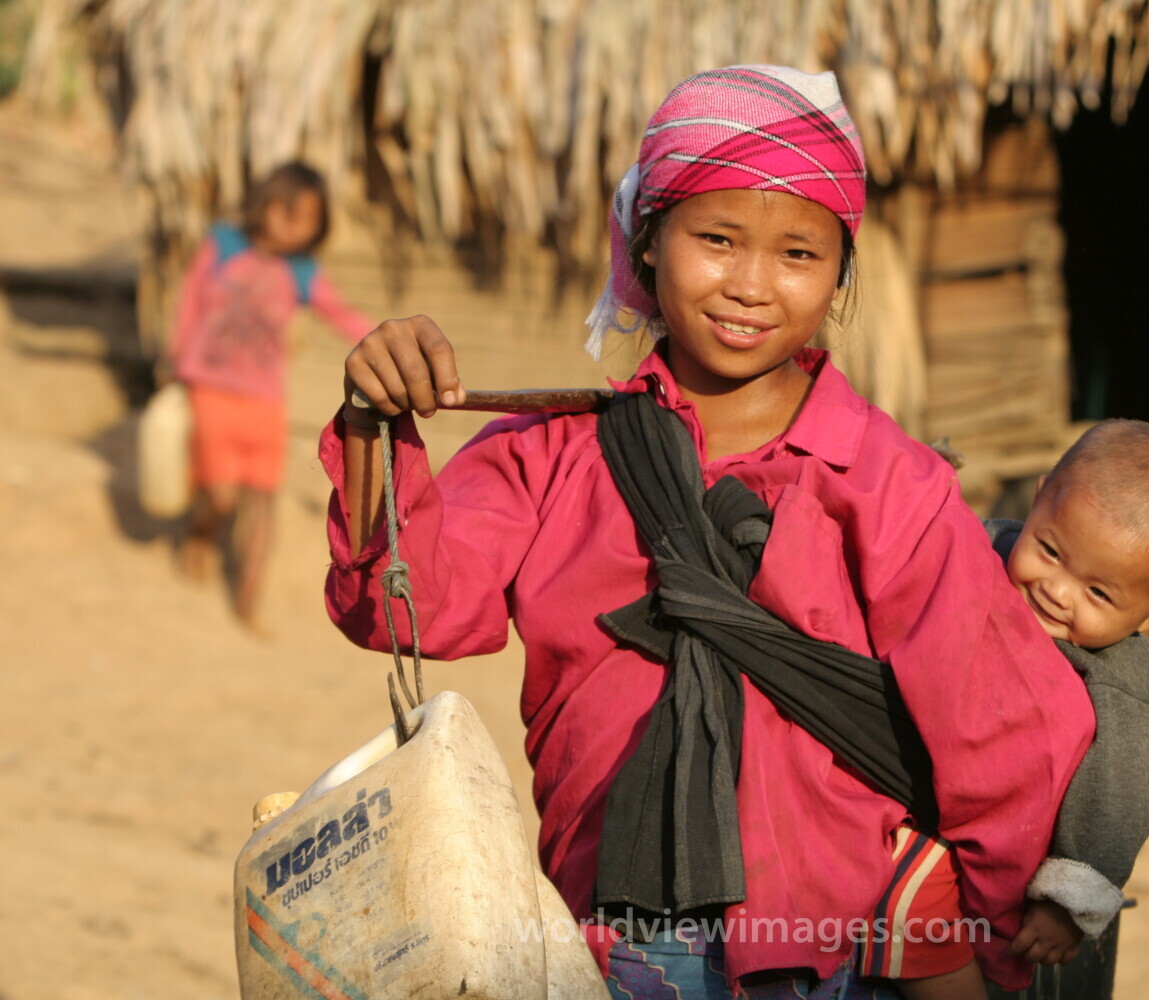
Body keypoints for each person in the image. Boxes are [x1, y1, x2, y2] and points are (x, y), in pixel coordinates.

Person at [323, 65, 1094, 998]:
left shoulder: (891, 486)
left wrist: (986, 932)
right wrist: (374, 422)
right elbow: (407, 611)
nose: (751, 286)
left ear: (842, 271)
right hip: (605, 944)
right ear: (649, 243)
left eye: (799, 256)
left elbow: (1004, 727)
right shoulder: (552, 455)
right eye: (717, 240)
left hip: (836, 951)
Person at [863, 419, 1149, 1000]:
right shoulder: (982, 547)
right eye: (1051, 550)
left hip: (984, 861)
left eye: (1099, 594)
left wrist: (1072, 898)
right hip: (896, 776)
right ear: (1037, 504)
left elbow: (1133, 781)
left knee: (926, 934)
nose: (1057, 590)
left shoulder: (1116, 673)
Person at [168, 162, 371, 630]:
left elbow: (339, 312)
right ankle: (201, 536)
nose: (296, 227)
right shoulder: (222, 246)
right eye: (290, 212)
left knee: (262, 500)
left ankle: (247, 606)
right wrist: (176, 361)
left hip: (264, 400)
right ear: (266, 203)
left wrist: (383, 338)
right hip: (211, 389)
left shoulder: (302, 272)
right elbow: (190, 301)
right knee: (220, 495)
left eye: (309, 220)